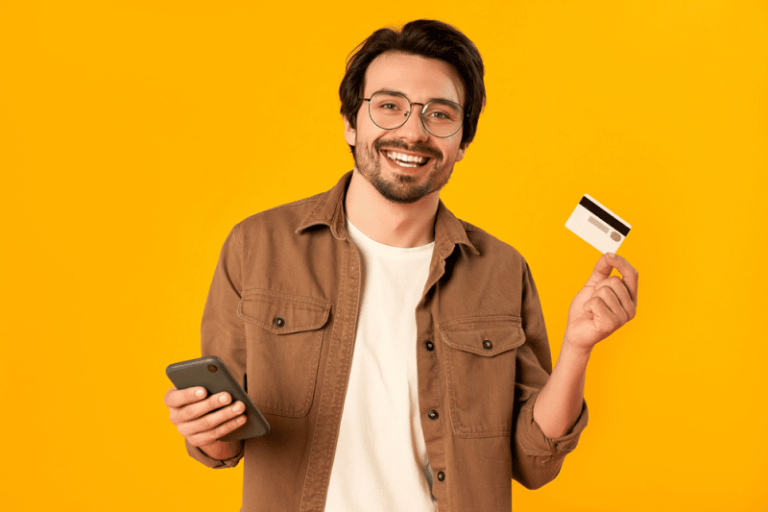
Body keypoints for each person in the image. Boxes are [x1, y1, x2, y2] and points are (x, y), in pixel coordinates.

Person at [164, 19, 638, 512]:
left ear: (463, 141)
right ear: (351, 123)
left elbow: (533, 461)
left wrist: (577, 348)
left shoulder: (501, 269)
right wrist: (206, 428)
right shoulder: (257, 246)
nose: (412, 132)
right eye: (389, 107)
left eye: (439, 114)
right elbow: (224, 446)